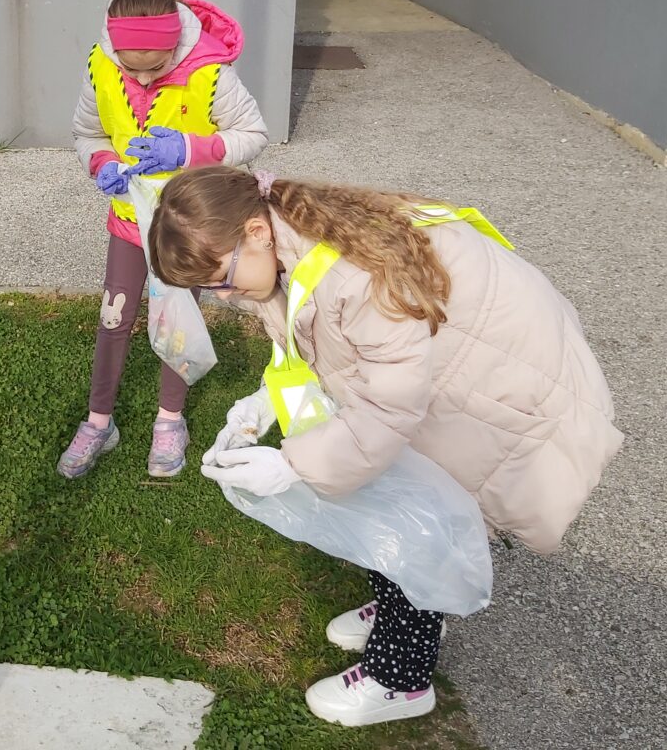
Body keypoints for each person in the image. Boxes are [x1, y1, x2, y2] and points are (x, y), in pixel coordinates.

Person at [147, 166, 622, 728]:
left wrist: (290, 464)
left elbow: (387, 410)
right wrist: (264, 402)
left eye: (222, 279)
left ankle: (401, 680)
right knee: (392, 506)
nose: (224, 295)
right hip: (453, 375)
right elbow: (318, 348)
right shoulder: (287, 241)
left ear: (255, 231)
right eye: (209, 289)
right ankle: (400, 604)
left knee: (415, 527)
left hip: (503, 390)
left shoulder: (352, 277)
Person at [59, 0, 268, 480]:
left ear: (176, 44)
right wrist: (101, 163)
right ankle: (99, 421)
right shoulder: (101, 66)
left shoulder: (210, 73)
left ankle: (170, 419)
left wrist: (191, 149)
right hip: (130, 222)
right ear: (113, 48)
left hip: (186, 226)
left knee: (179, 321)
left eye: (156, 66)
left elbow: (252, 133)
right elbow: (88, 132)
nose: (144, 77)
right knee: (114, 318)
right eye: (131, 66)